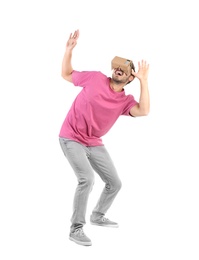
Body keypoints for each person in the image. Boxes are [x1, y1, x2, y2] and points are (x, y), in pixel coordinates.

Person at [59, 29, 150, 246]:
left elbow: (144, 110)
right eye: (117, 67)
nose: (119, 70)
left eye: (125, 71)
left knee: (115, 183)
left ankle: (98, 215)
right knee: (87, 179)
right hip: (71, 136)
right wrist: (68, 50)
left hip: (93, 142)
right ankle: (76, 229)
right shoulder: (95, 78)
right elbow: (67, 74)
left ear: (129, 79)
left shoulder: (125, 101)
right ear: (113, 70)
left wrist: (144, 81)